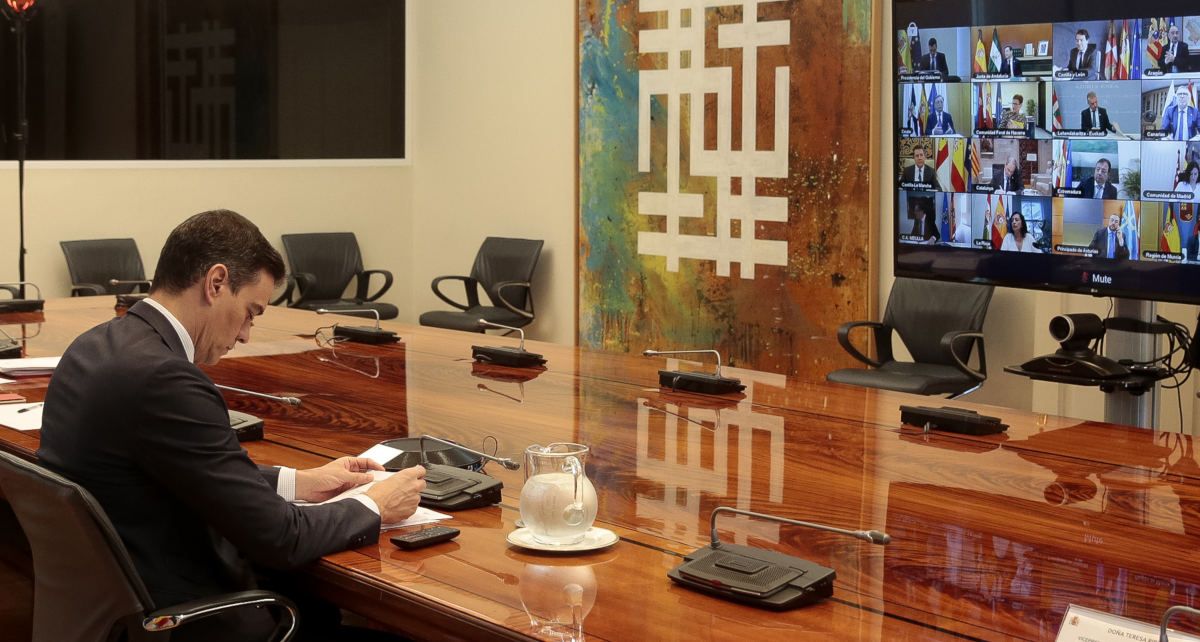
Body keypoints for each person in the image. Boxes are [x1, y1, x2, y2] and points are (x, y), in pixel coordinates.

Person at [38, 210, 428, 641]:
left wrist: (301, 482)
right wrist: (375, 504)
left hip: (123, 608)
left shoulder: (95, 346)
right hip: (192, 621)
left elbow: (178, 468)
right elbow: (282, 540)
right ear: (216, 283)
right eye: (250, 312)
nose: (245, 335)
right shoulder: (166, 379)